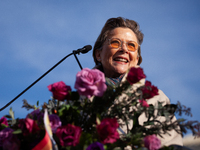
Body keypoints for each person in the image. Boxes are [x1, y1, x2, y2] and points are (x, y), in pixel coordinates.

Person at [92, 17, 183, 148]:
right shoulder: (80, 99)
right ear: (98, 54)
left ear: (137, 59)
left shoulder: (156, 98)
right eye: (115, 43)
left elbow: (170, 145)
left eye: (131, 45)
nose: (124, 49)